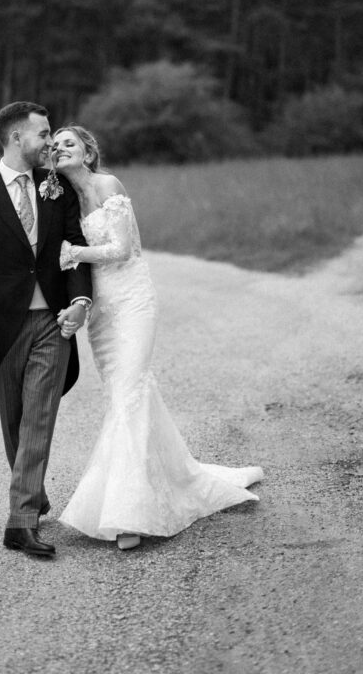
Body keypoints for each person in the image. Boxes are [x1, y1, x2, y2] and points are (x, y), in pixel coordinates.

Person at [53, 124, 264, 551]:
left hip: (132, 302)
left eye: (68, 143)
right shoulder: (63, 200)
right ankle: (180, 478)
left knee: (130, 394)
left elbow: (124, 248)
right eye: (54, 145)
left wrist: (75, 252)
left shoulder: (107, 183)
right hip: (102, 313)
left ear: (88, 153)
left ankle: (127, 514)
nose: (59, 148)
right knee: (123, 397)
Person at [0, 102, 92, 558]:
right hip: (3, 327)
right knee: (13, 422)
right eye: (43, 133)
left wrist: (79, 300)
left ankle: (22, 521)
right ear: (17, 138)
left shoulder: (58, 189)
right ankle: (30, 492)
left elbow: (73, 249)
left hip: (52, 323)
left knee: (38, 418)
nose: (50, 141)